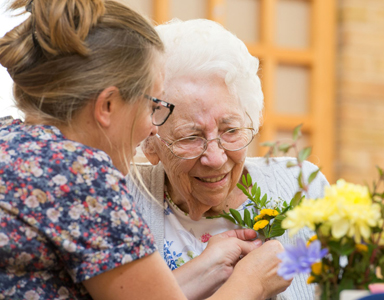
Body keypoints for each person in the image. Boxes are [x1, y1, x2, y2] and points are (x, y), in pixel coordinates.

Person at [0, 1, 291, 299]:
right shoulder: (82, 176)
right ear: (108, 106)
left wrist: (210, 265)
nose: (154, 127)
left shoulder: (10, 140)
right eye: (153, 106)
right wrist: (252, 281)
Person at [129, 19, 329, 300]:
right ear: (151, 143)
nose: (215, 157)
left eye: (231, 130)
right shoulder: (123, 200)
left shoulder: (304, 188)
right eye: (190, 137)